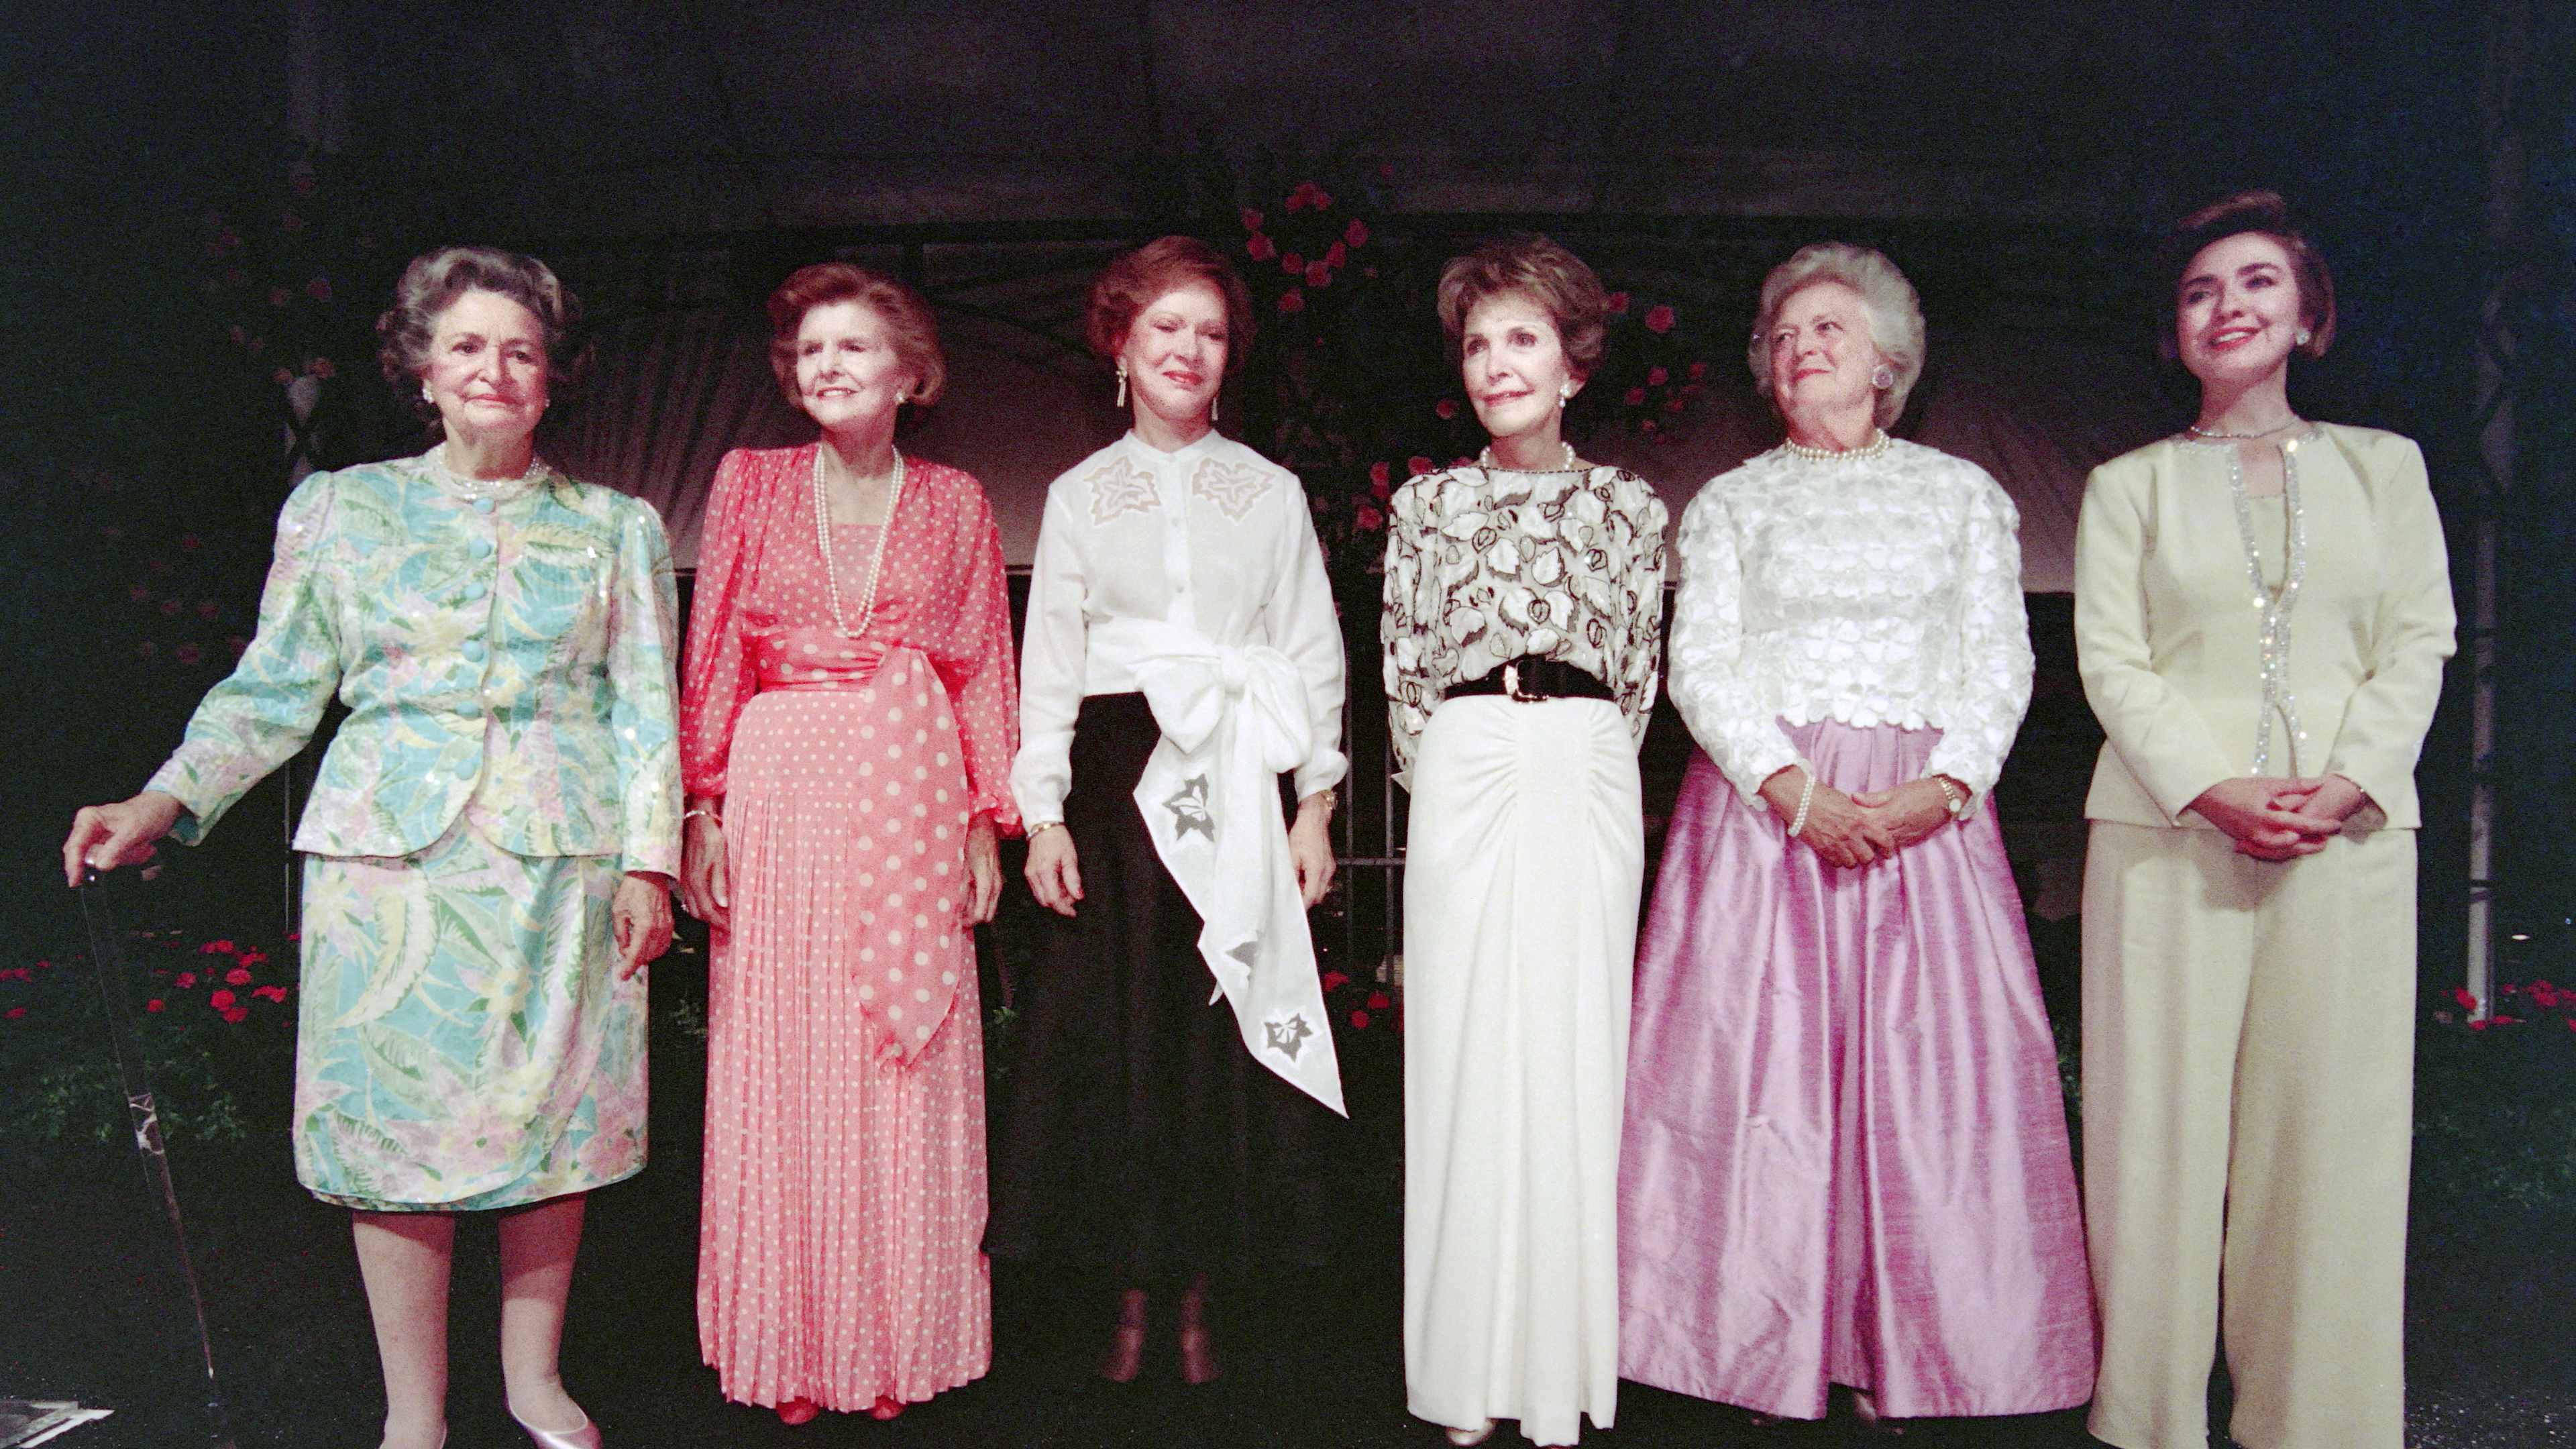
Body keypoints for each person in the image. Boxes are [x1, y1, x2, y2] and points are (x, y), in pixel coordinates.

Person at [63, 245, 679, 1449]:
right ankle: (415, 1411)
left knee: (554, 1115)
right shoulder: (342, 509)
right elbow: (276, 688)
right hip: (386, 864)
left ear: (552, 377)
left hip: (562, 855)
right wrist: (165, 799)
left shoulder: (618, 527)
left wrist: (649, 863)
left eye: (520, 350)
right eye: (467, 346)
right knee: (394, 1131)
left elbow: (646, 708)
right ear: (422, 371)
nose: (493, 369)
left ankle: (534, 1383)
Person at [1616, 241, 2096, 1431]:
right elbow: (1700, 665)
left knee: (1923, 1089)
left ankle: (1917, 1350)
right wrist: (1795, 791)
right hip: (1765, 823)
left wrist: (1943, 789)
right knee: (1760, 1081)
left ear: (1889, 362)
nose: (1799, 348)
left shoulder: (1964, 496)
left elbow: (2001, 662)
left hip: (1921, 824)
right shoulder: (1732, 502)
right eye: (1782, 337)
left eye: (1827, 328)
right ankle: (1750, 1346)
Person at [2075, 191, 2453, 1449]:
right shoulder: (2126, 487)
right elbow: (2112, 660)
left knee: (2331, 1137)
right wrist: (2212, 787)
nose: (2227, 306)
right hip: (2166, 835)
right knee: (2157, 1135)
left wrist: (2348, 781)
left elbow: (2420, 639)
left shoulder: (2386, 467)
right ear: (2175, 331)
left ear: (2310, 317)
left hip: (2349, 838)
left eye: (2256, 283)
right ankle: (2150, 1418)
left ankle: (2317, 1421)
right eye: (2199, 291)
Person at [992, 235, 1348, 1385]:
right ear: (1122, 345)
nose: (1188, 349)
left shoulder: (1273, 492)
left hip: (1237, 776)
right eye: (1166, 327)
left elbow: (1311, 650)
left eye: (1210, 331)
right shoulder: (1078, 494)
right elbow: (1050, 664)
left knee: (1213, 1040)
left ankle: (1201, 1293)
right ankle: (1129, 1291)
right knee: (1119, 1040)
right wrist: (1044, 814)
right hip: (1116, 789)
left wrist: (1315, 806)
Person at [678, 263, 1018, 1424]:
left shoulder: (958, 501)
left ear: (910, 375)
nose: (828, 365)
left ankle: (896, 1346)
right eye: (811, 349)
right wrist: (701, 805)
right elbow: (713, 650)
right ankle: (793, 1350)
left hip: (914, 786)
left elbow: (983, 669)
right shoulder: (752, 480)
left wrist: (987, 820)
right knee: (786, 1064)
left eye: (854, 346)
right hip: (780, 792)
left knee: (899, 1065)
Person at [1384, 234, 1669, 1448]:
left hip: (1586, 765)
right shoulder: (1426, 504)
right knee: (1460, 1056)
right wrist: (1462, 762)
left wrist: (1574, 754)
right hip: (1462, 762)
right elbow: (1403, 671)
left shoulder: (1632, 508)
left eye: (1523, 339)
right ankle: (1464, 1374)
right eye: (1478, 344)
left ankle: (1561, 1375)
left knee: (1575, 1053)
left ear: (1573, 365)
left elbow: (1641, 676)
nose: (1497, 363)